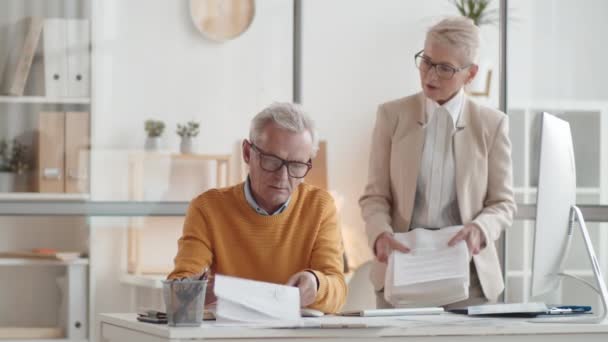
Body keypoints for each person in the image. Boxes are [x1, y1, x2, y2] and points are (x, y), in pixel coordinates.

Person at [359, 16, 516, 308]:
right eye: (426, 61)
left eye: (445, 68)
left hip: (469, 278)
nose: (430, 75)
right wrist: (380, 232)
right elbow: (374, 196)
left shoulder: (492, 125)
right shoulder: (392, 116)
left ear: (470, 74)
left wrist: (480, 229)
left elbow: (503, 203)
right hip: (400, 271)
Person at [168, 102, 347, 313]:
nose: (282, 177)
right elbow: (178, 291)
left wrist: (316, 283)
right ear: (247, 152)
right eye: (272, 161)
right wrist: (196, 292)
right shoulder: (208, 208)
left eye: (297, 165)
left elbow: (337, 290)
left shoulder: (320, 206)